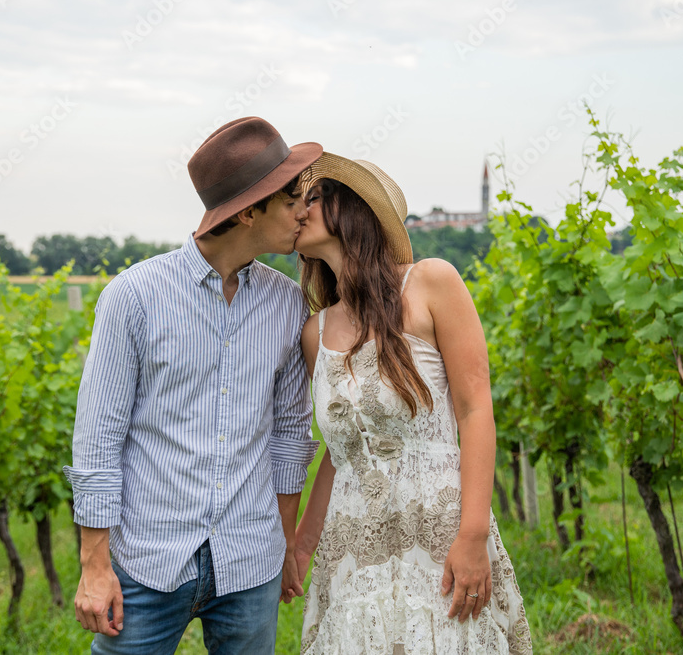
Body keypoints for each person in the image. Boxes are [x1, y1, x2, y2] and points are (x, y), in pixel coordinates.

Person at [62, 116, 323, 655]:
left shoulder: (289, 304)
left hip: (250, 560)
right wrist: (94, 565)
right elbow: (98, 438)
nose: (304, 210)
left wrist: (284, 543)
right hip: (146, 561)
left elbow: (291, 435)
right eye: (291, 197)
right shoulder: (133, 297)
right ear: (250, 211)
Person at [291, 152, 532, 654]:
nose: (300, 210)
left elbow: (475, 410)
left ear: (352, 210)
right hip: (354, 546)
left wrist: (472, 535)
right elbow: (341, 457)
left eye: (315, 198)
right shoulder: (314, 332)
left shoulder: (431, 283)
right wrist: (302, 546)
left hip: (439, 530)